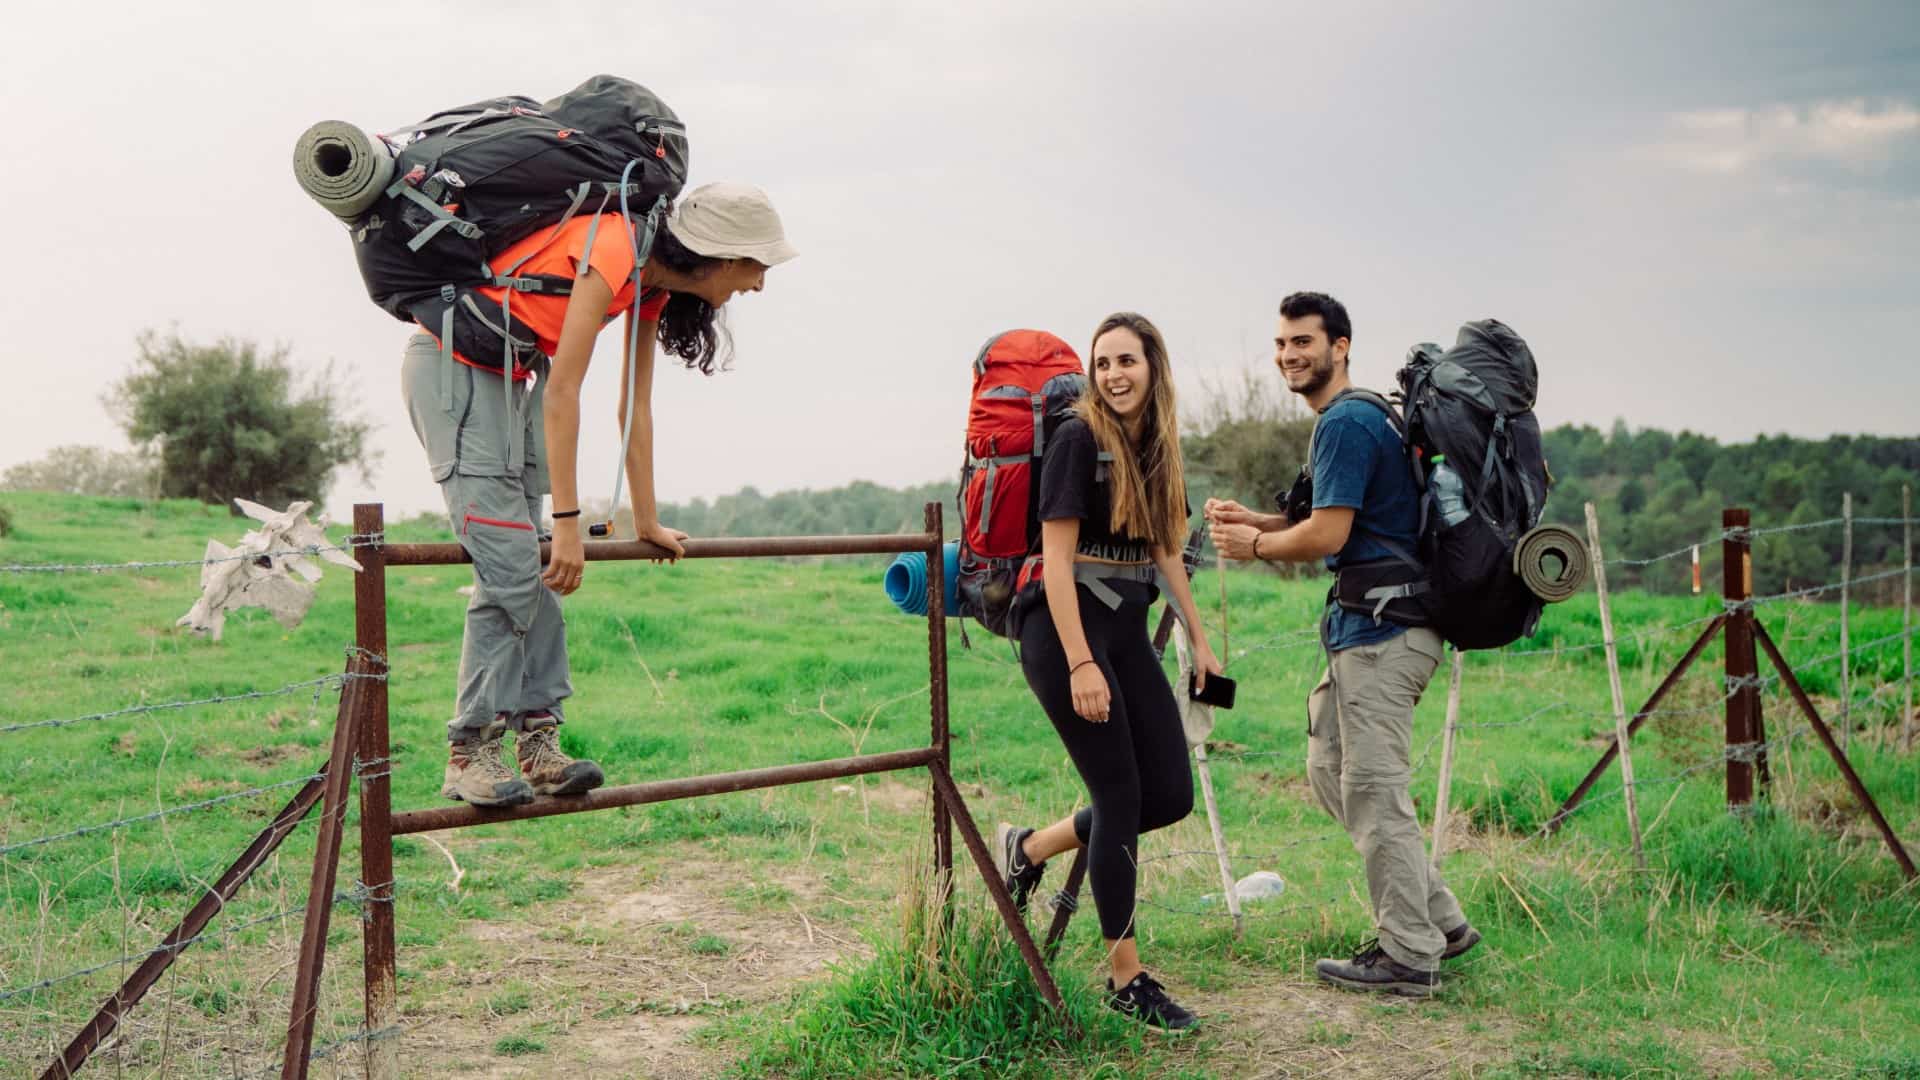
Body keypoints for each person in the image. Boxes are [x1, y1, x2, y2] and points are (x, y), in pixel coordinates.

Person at [400, 182, 797, 807]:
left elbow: (633, 407)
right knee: (512, 566)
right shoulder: (611, 249)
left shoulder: (652, 281)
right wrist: (567, 522)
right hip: (455, 375)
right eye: (757, 266)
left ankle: (537, 743)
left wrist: (647, 519)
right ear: (722, 255)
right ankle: (468, 752)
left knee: (539, 572)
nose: (757, 284)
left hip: (514, 379)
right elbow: (566, 395)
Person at [1206, 291, 1478, 997]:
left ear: (1341, 346)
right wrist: (1258, 520)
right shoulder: (1359, 420)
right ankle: (1441, 921)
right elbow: (1345, 522)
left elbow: (1325, 537)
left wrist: (1255, 544)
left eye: (1303, 342)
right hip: (1368, 631)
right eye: (1281, 344)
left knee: (1374, 789)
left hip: (1384, 635)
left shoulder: (1347, 422)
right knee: (1330, 767)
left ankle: (1409, 955)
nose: (1289, 355)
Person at [990, 312, 1221, 1032]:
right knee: (1119, 793)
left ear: (1154, 366)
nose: (1115, 375)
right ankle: (1127, 978)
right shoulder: (1075, 439)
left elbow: (1166, 552)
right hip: (1064, 634)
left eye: (1127, 361)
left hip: (1124, 633)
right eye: (1104, 363)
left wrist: (1202, 643)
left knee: (1170, 794)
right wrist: (1082, 662)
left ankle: (1026, 850)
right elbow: (1056, 561)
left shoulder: (1155, 445)